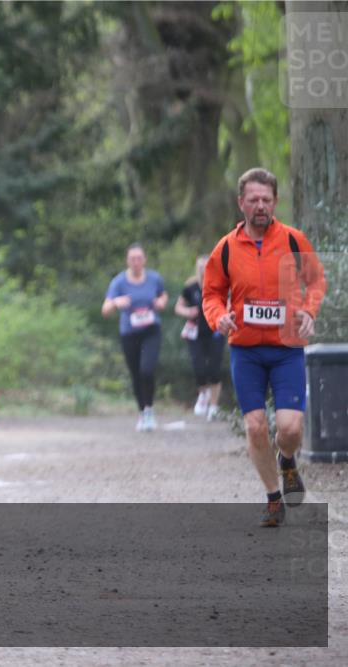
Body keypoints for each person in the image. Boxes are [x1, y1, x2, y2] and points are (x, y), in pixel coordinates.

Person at [203, 167, 326, 527]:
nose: (260, 206)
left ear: (275, 202)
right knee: (256, 426)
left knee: (289, 429)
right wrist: (218, 317)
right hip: (246, 351)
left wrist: (308, 310)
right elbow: (211, 293)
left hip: (286, 347)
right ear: (241, 202)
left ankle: (287, 460)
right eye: (254, 199)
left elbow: (316, 281)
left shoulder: (292, 241)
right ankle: (274, 497)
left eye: (267, 200)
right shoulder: (226, 248)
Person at [102, 244, 168, 431]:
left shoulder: (154, 278)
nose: (136, 262)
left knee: (147, 370)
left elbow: (163, 296)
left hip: (151, 331)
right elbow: (105, 309)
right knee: (136, 374)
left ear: (144, 260)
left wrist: (160, 302)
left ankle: (150, 410)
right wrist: (116, 302)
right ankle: (142, 412)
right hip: (129, 333)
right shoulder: (119, 282)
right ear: (127, 261)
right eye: (132, 259)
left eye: (139, 258)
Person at [175, 255, 226, 420]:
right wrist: (187, 312)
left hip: (216, 331)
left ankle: (213, 406)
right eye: (200, 267)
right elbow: (178, 307)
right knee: (199, 367)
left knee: (214, 369)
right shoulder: (190, 287)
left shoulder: (220, 284)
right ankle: (203, 394)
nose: (203, 270)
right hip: (195, 332)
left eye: (206, 267)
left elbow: (230, 303)